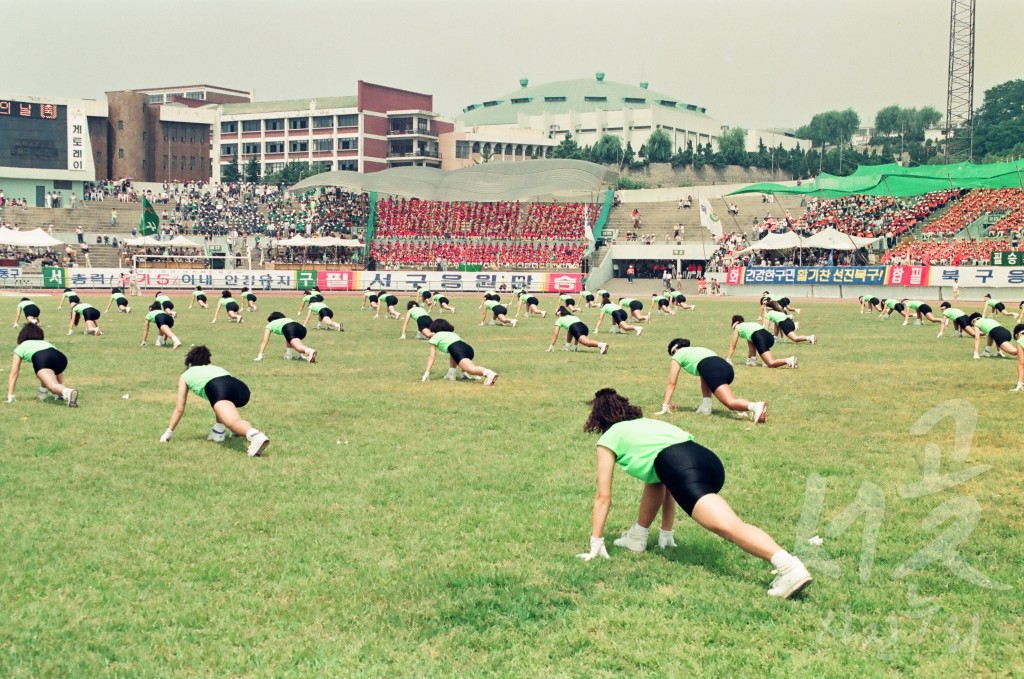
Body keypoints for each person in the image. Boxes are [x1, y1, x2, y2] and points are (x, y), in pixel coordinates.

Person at [577, 388, 811, 599]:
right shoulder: (650, 424)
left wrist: (596, 542)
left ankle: (789, 567)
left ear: (598, 419)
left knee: (731, 527)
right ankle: (637, 537)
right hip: (706, 460)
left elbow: (603, 497)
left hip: (682, 468)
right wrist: (666, 531)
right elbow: (665, 479)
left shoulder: (608, 438)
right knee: (657, 477)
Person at [158, 345, 269, 457]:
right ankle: (218, 432)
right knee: (223, 407)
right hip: (242, 390)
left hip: (219, 388)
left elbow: (179, 409)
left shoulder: (186, 375)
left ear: (189, 361)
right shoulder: (216, 368)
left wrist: (169, 432)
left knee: (233, 422)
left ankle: (255, 436)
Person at [657, 338, 767, 422]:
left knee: (730, 403)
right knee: (704, 375)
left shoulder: (678, 354)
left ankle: (755, 406)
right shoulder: (700, 350)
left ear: (675, 349)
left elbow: (672, 382)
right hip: (726, 368)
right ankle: (706, 406)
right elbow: (704, 373)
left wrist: (665, 405)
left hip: (713, 370)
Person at [6, 324, 79, 406]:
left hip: (42, 358)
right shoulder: (46, 343)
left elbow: (14, 373)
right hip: (61, 358)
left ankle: (68, 392)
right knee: (49, 377)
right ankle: (48, 394)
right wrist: (60, 391)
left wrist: (10, 395)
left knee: (52, 386)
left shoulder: (21, 347)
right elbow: (59, 371)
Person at [422, 319, 498, 385]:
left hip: (458, 350)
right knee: (452, 352)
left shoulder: (435, 336)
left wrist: (427, 373)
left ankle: (489, 373)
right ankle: (451, 374)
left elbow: (432, 356)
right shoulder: (452, 333)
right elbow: (455, 347)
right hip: (468, 349)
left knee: (471, 369)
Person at [726, 315, 797, 368]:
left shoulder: (737, 328)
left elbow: (733, 345)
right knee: (751, 340)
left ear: (734, 324)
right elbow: (751, 344)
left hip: (759, 337)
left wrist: (728, 359)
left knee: (770, 363)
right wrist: (750, 357)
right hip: (769, 337)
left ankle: (789, 360)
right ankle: (752, 360)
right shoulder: (750, 325)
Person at [1011, 324, 1024, 392]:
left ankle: (1020, 385)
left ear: (1017, 335)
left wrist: (1019, 383)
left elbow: (1021, 363)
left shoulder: (1020, 341)